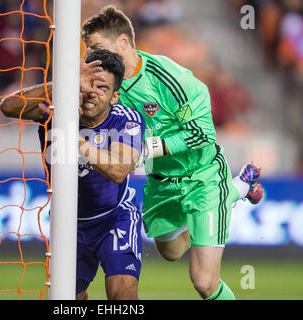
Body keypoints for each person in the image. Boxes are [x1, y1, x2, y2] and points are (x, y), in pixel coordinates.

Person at [80, 5, 264, 300]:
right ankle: (238, 189)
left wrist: (145, 149)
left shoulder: (169, 79)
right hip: (162, 182)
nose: (92, 56)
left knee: (204, 281)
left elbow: (203, 134)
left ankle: (223, 193)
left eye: (98, 47)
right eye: (89, 49)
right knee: (170, 251)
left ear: (123, 43)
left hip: (201, 176)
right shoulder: (103, 84)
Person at [0, 49, 145, 300]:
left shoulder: (126, 120)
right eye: (87, 82)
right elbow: (8, 107)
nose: (90, 91)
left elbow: (119, 170)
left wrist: (70, 134)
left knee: (123, 294)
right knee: (69, 299)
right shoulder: (53, 109)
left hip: (114, 218)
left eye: (101, 87)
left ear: (115, 96)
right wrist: (65, 81)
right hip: (67, 223)